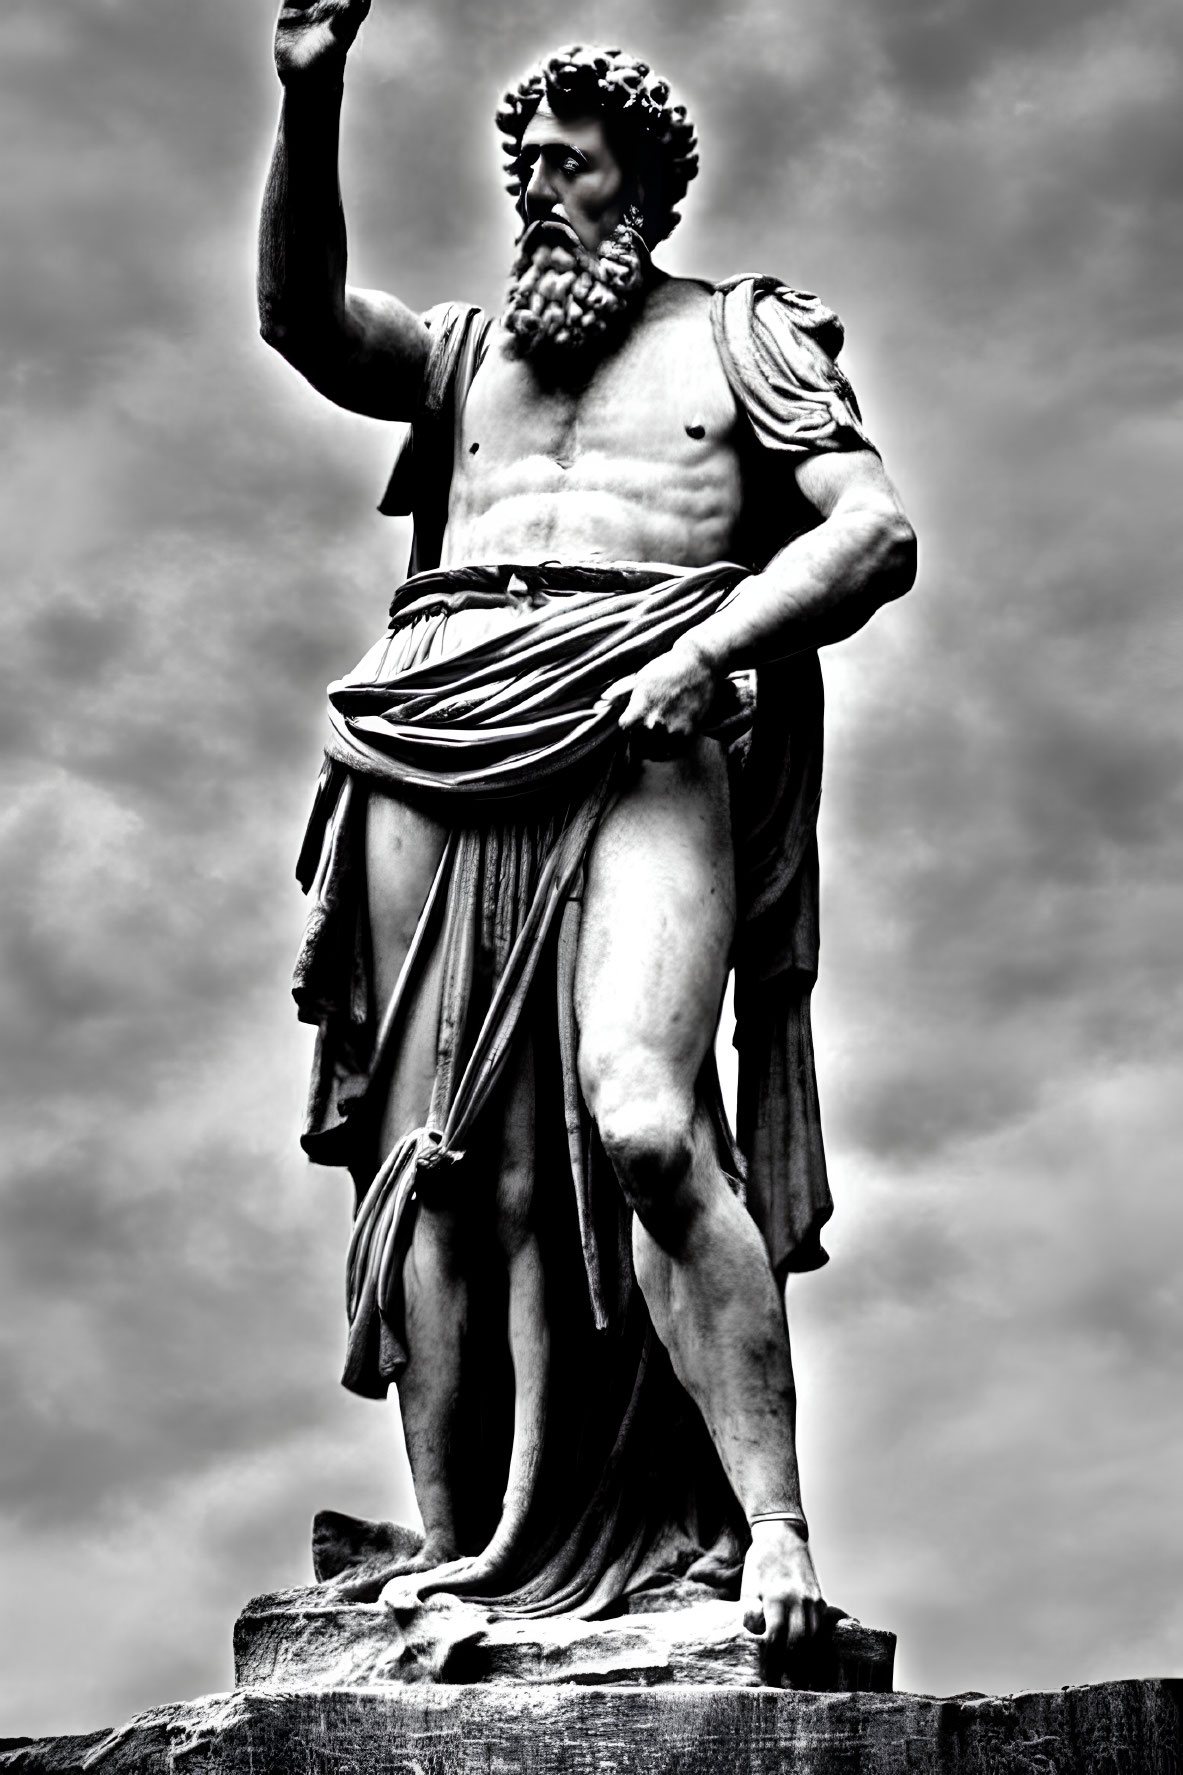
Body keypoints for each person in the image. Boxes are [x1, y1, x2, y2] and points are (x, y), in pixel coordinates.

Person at [259, 1, 916, 1683]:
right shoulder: (470, 353)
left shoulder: (741, 337)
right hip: (432, 724)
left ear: (644, 184)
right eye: (525, 166)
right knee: (431, 1178)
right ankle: (467, 1550)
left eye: (570, 162)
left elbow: (872, 531)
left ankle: (771, 1524)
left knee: (640, 1120)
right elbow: (302, 323)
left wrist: (709, 651)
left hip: (647, 717)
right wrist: (311, 101)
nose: (538, 185)